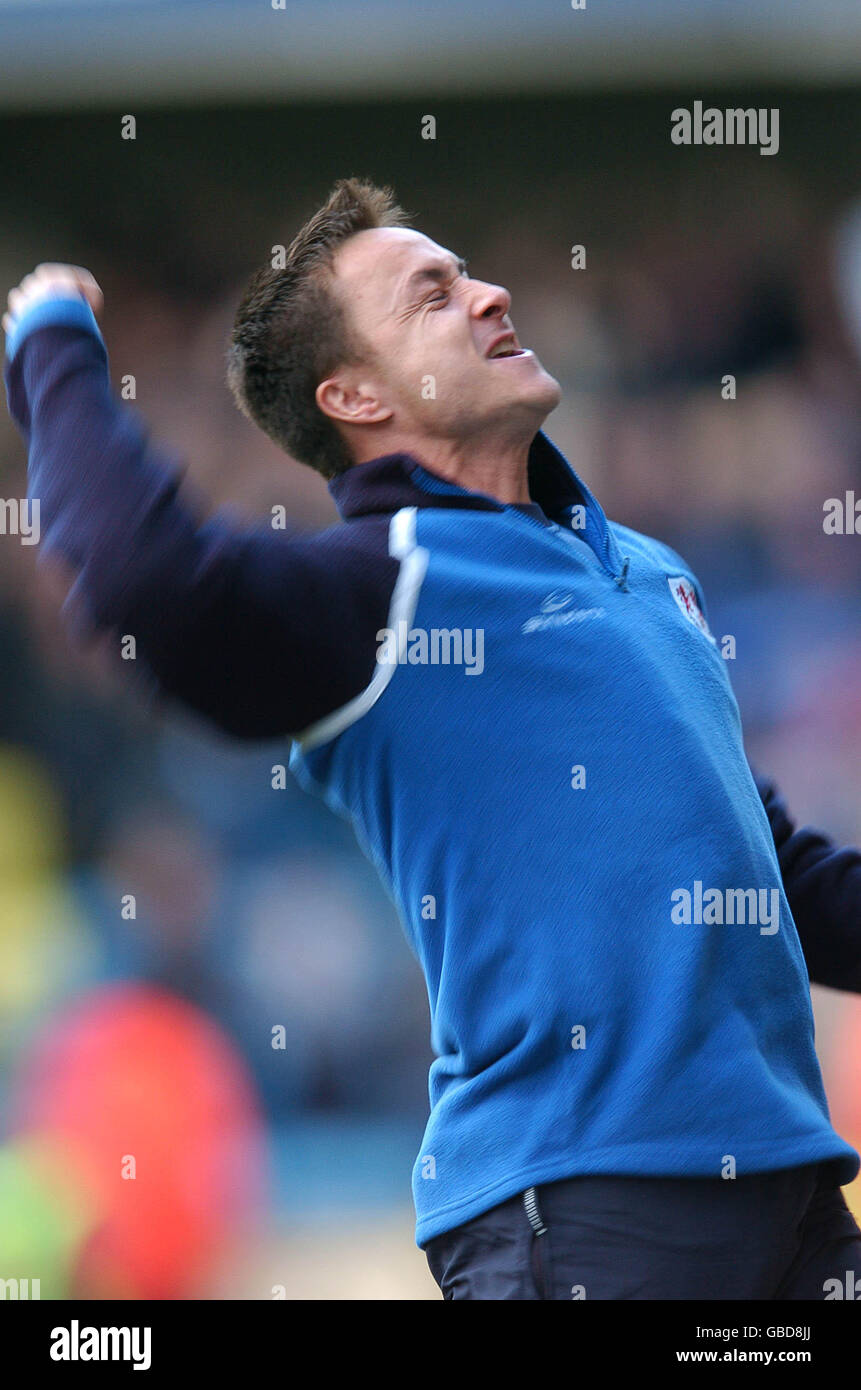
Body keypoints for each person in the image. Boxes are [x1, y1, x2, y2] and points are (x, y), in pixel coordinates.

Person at [4, 178, 861, 1300]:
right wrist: (53, 347)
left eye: (470, 274)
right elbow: (145, 577)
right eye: (432, 295)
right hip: (588, 1202)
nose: (492, 297)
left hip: (795, 1197)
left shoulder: (651, 571)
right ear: (354, 392)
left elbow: (770, 873)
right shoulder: (378, 587)